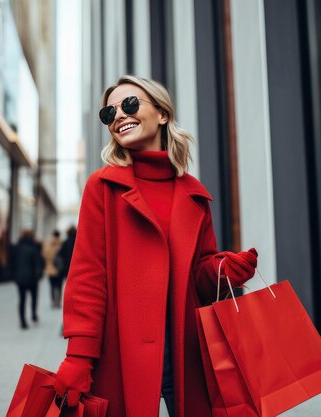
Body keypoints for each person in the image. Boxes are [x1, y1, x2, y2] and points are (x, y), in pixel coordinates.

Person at [53, 75, 258, 417]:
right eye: (109, 113)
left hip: (187, 352)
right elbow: (88, 277)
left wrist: (224, 269)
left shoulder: (195, 194)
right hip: (120, 354)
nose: (118, 116)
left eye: (129, 104)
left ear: (162, 113)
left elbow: (199, 275)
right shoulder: (103, 188)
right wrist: (78, 356)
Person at [9, 230, 42, 329]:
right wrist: (38, 275)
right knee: (34, 298)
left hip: (20, 278)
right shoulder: (34, 248)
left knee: (22, 300)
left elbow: (12, 263)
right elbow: (38, 263)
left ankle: (23, 321)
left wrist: (13, 276)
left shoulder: (17, 248)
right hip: (32, 278)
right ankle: (33, 314)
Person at [42, 230, 63, 308]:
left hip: (50, 268)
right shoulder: (61, 244)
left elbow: (44, 255)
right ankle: (58, 301)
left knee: (52, 285)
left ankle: (53, 301)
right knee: (59, 285)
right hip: (59, 268)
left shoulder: (48, 245)